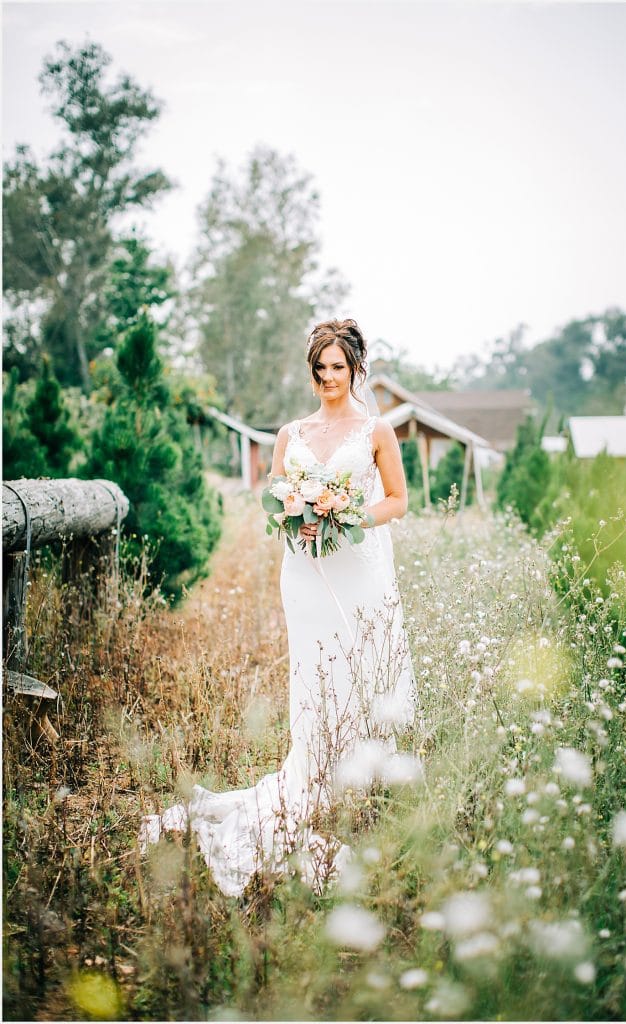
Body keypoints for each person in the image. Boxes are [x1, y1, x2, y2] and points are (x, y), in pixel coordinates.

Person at [140, 319, 416, 896]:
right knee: (313, 674)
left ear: (355, 369)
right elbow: (276, 493)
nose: (328, 379)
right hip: (305, 572)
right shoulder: (291, 433)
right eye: (319, 370)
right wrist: (297, 512)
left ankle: (359, 778)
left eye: (337, 368)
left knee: (359, 668)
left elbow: (397, 501)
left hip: (355, 568)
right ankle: (312, 771)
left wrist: (347, 514)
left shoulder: (376, 430)